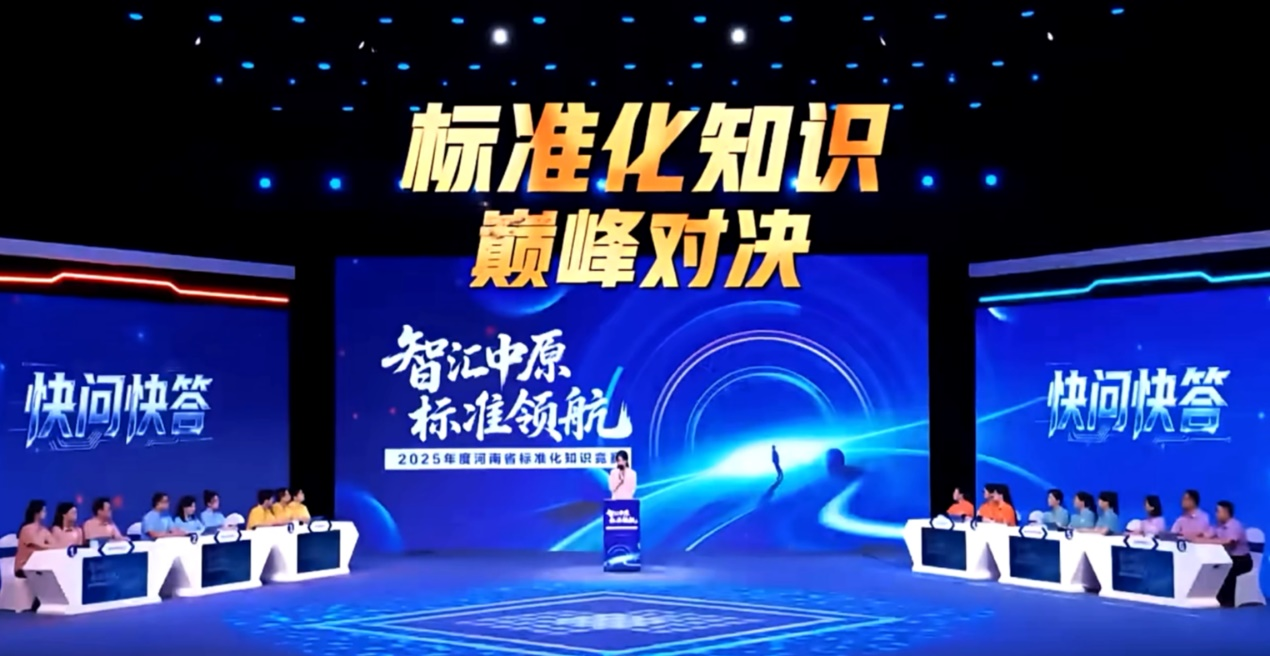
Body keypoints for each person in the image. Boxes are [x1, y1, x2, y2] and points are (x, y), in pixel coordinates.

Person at [1192, 501, 1252, 608]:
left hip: (1242, 560)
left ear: (1225, 512)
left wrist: (1206, 541)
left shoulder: (1235, 525)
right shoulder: (1218, 526)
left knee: (1227, 570)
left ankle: (1228, 602)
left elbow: (1229, 542)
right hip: (1226, 558)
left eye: (1218, 511)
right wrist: (1197, 537)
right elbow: (1207, 535)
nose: (1216, 514)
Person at [15, 500, 51, 579]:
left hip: (37, 566)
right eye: (43, 511)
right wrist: (52, 546)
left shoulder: (44, 530)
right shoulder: (26, 529)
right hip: (24, 567)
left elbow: (54, 543)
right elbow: (38, 546)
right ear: (37, 513)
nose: (46, 513)